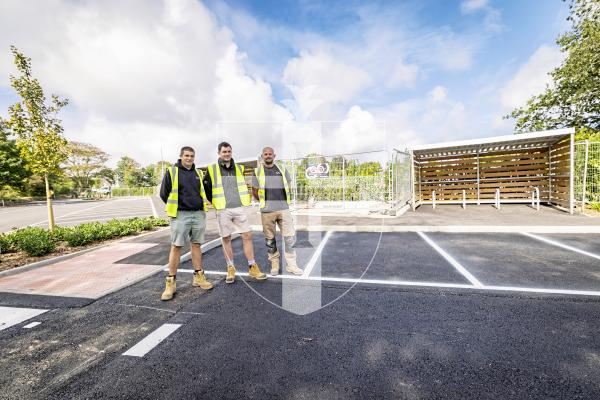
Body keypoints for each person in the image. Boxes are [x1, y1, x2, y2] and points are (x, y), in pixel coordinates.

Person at [203, 142, 267, 284]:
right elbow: (207, 188)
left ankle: (252, 266)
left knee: (247, 235)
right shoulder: (212, 169)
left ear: (232, 152)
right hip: (222, 209)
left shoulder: (239, 168)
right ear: (219, 153)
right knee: (226, 238)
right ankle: (230, 268)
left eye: (229, 151)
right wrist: (215, 202)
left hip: (238, 207)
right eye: (224, 152)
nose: (227, 154)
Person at [159, 146, 213, 301]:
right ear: (181, 156)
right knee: (176, 246)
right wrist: (178, 206)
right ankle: (171, 283)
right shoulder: (172, 171)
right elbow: (164, 194)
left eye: (192, 156)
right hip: (180, 215)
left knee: (196, 245)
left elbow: (205, 192)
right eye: (187, 156)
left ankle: (198, 277)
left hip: (197, 214)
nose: (189, 158)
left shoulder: (198, 173)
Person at [252, 147, 303, 276]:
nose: (268, 156)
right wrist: (265, 203)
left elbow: (288, 184)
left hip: (283, 209)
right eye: (265, 154)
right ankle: (274, 264)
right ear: (262, 156)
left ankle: (292, 265)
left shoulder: (282, 169)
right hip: (267, 211)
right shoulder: (257, 172)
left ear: (274, 155)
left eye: (270, 154)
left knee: (290, 237)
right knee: (270, 240)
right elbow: (254, 191)